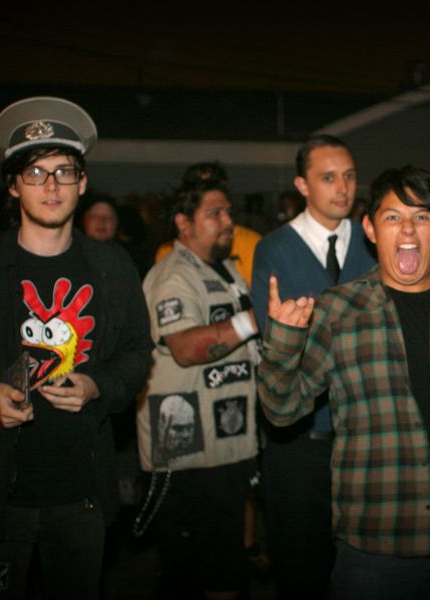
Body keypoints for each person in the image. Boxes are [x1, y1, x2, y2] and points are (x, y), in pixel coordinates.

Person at [257, 165, 430, 600]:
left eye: (421, 216)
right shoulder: (337, 310)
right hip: (375, 545)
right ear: (370, 228)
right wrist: (283, 342)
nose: (407, 229)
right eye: (392, 217)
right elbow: (281, 411)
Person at [0, 96, 153, 599]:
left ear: (82, 182)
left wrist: (96, 386)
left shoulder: (114, 268)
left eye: (64, 171)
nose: (51, 185)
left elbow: (137, 354)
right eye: (35, 173)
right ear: (13, 185)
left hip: (82, 494)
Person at [250, 134, 375, 599]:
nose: (342, 188)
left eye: (349, 176)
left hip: (365, 435)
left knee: (365, 570)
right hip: (300, 439)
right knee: (302, 570)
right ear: (302, 185)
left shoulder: (373, 242)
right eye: (328, 178)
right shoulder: (276, 249)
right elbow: (279, 341)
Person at [136, 179, 262, 599]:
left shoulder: (224, 269)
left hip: (222, 442)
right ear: (183, 223)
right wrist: (255, 320)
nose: (228, 221)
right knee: (195, 571)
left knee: (222, 565)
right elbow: (186, 348)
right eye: (215, 213)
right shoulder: (173, 275)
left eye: (229, 212)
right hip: (187, 449)